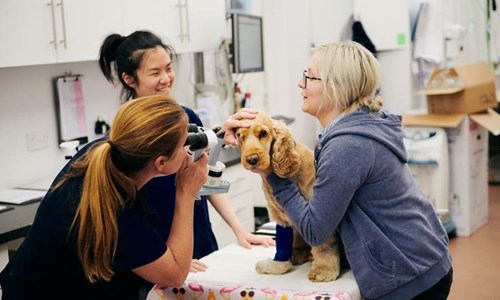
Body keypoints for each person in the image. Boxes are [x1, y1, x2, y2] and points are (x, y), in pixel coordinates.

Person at [225, 41, 453, 300]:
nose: (301, 84)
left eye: (309, 77)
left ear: (337, 87)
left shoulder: (347, 146)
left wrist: (272, 174)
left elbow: (314, 230)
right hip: (425, 258)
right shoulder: (365, 125)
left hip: (409, 277)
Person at [0, 95, 209, 299]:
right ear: (161, 163)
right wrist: (186, 193)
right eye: (184, 144)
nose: (188, 149)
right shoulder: (116, 210)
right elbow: (175, 276)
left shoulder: (109, 151)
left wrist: (156, 260)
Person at [98, 30, 274, 269]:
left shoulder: (186, 117)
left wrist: (239, 230)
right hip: (160, 254)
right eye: (155, 72)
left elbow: (206, 177)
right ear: (129, 79)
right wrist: (166, 259)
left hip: (200, 242)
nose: (166, 78)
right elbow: (127, 215)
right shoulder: (128, 135)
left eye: (168, 69)